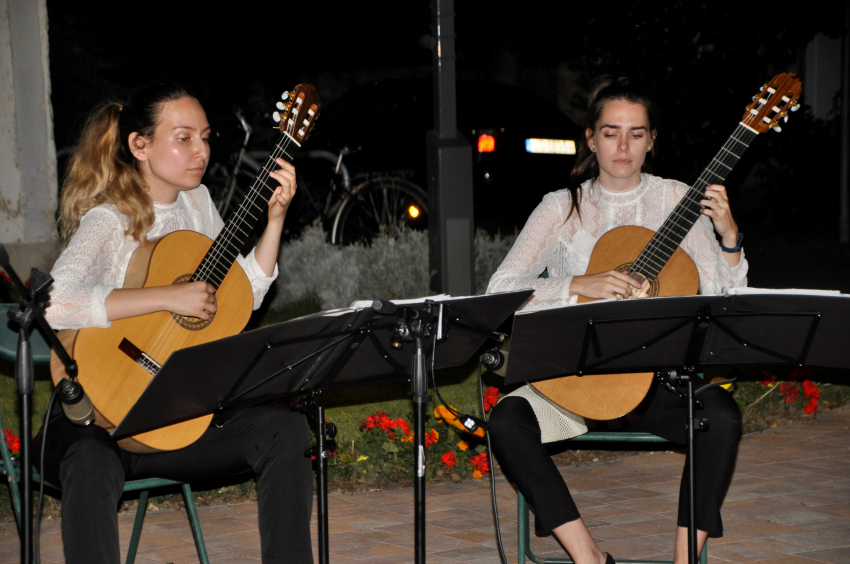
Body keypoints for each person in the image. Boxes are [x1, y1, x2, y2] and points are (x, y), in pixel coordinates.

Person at [35, 81, 313, 564]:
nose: (201, 151)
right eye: (183, 138)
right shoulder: (108, 219)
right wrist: (164, 297)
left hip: (174, 418)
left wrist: (273, 221)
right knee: (91, 460)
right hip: (97, 414)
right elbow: (54, 304)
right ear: (139, 145)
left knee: (284, 431)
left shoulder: (197, 203)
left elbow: (237, 296)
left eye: (205, 137)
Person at [486, 76, 747, 564]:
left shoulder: (677, 200)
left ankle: (684, 559)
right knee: (506, 421)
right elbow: (500, 290)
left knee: (722, 419)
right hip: (575, 385)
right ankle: (588, 557)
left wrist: (729, 237)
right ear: (590, 137)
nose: (623, 145)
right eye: (610, 132)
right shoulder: (560, 208)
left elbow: (723, 296)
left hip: (656, 382)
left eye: (636, 133)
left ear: (652, 140)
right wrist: (577, 285)